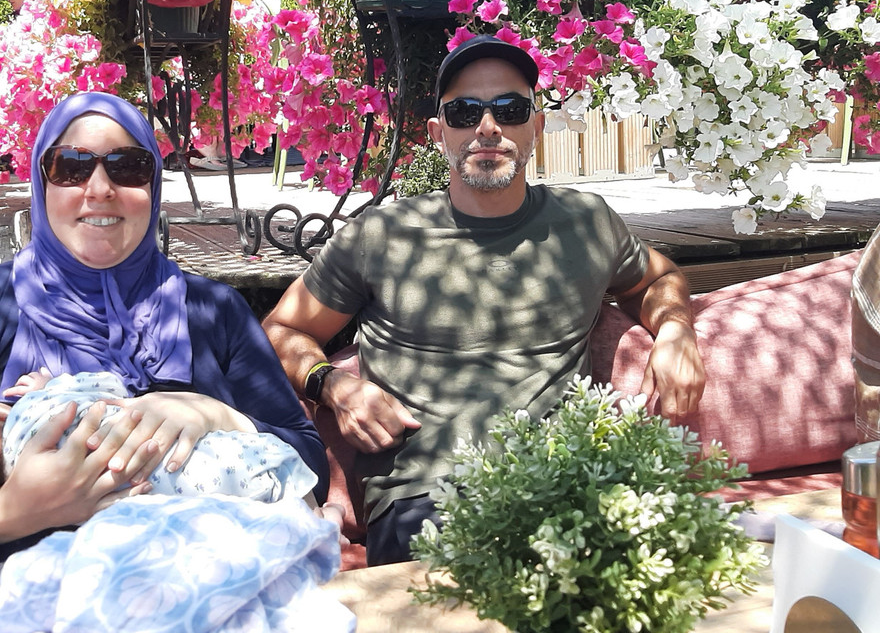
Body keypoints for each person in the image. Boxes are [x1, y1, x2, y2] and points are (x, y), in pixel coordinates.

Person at [0, 91, 328, 633]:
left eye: (128, 167)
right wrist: (16, 511)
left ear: (153, 187)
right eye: (72, 166)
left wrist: (214, 414)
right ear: (42, 183)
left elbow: (309, 467)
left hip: (193, 602)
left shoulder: (213, 310)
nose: (100, 188)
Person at [261, 35, 706, 566]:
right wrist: (331, 385)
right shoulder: (381, 235)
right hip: (427, 496)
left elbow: (657, 279)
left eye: (510, 110)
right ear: (438, 133)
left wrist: (676, 330)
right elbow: (281, 330)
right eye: (465, 112)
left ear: (536, 127)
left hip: (568, 482)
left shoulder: (587, 223)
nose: (488, 127)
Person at [0, 370, 319, 509]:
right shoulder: (39, 403)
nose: (98, 196)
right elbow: (108, 386)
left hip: (189, 518)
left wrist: (210, 410)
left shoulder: (21, 477)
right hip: (231, 464)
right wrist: (12, 519)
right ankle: (319, 522)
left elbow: (307, 443)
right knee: (278, 471)